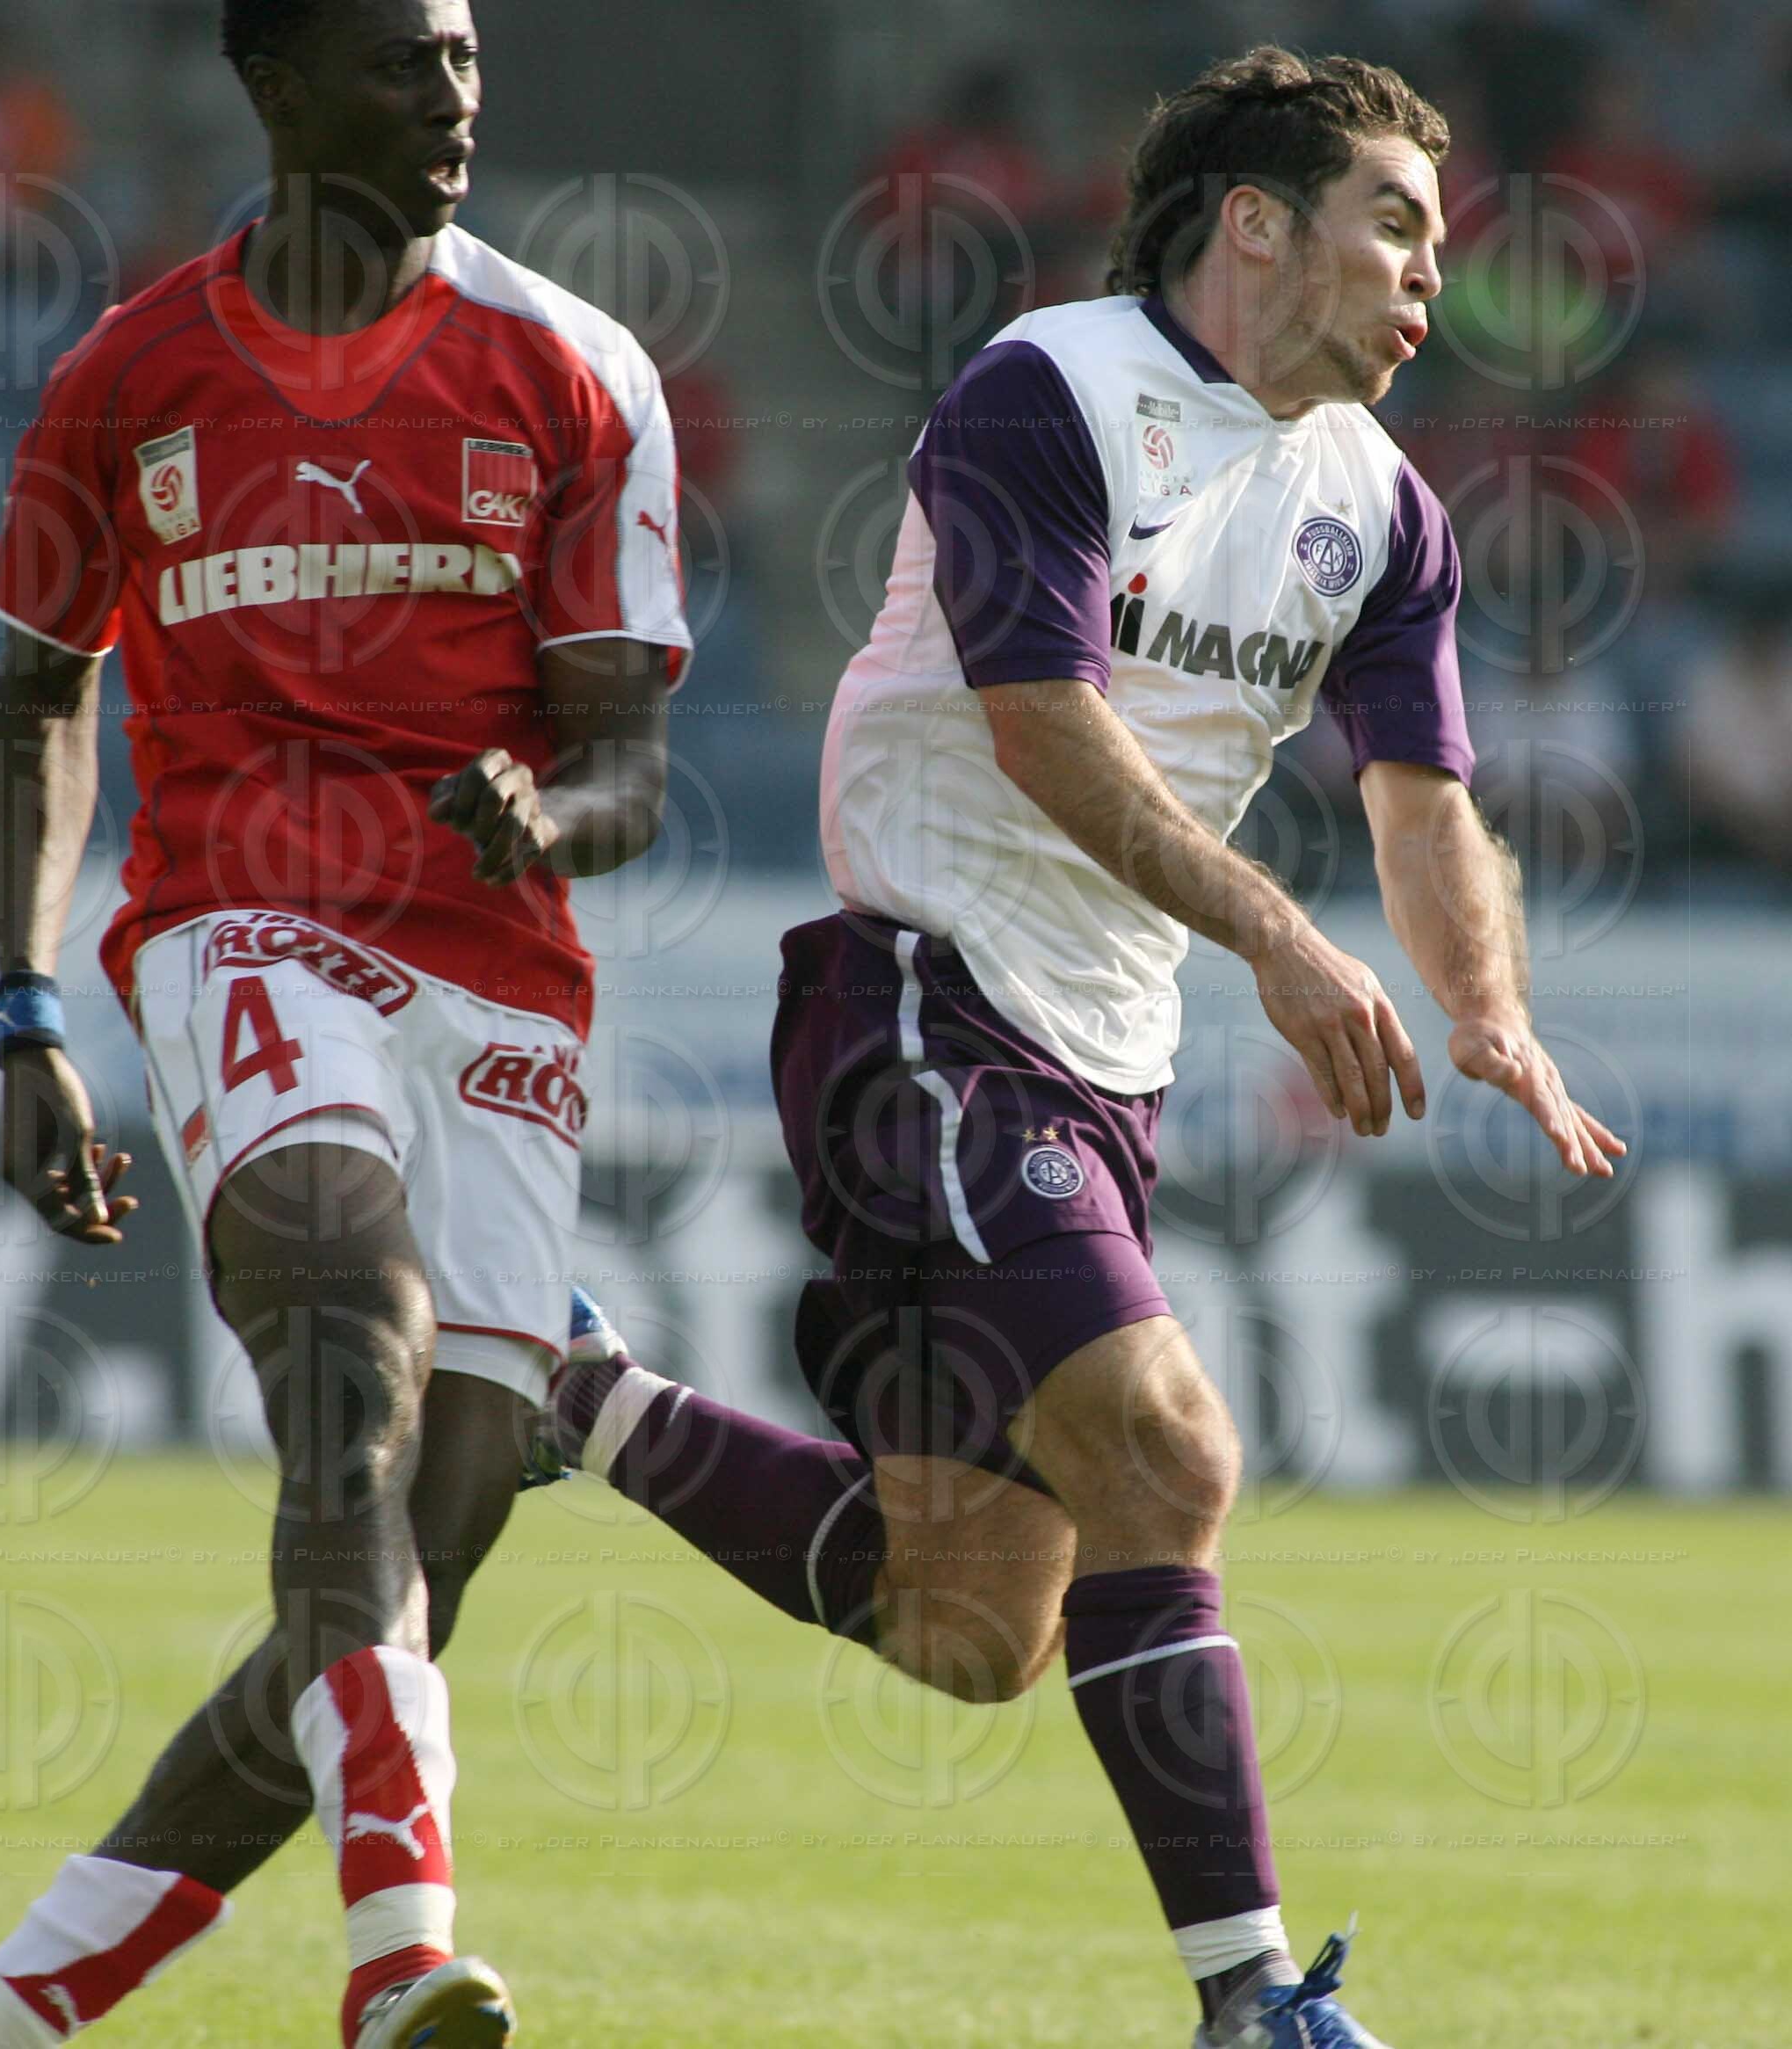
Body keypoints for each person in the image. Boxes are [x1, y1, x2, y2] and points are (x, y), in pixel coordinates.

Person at [535, 47, 1624, 2049]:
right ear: (1251, 226)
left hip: (1096, 1055)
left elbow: (1418, 798)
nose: (1424, 278)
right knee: (1166, 1448)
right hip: (922, 994)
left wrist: (1487, 1011)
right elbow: (1036, 722)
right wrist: (1282, 942)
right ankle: (1252, 2008)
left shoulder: (1375, 508)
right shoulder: (1050, 390)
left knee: (970, 1628)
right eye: (1390, 222)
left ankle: (573, 1394)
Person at [0, 3, 690, 2045]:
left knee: (399, 1578)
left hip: (497, 982)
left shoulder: (577, 368)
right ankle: (399, 1949)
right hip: (242, 925)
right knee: (346, 1348)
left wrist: (549, 811)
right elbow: (34, 696)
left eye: (466, 54)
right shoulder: (129, 372)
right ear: (277, 76)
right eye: (404, 60)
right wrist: (20, 1004)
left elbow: (629, 768)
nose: (455, 94)